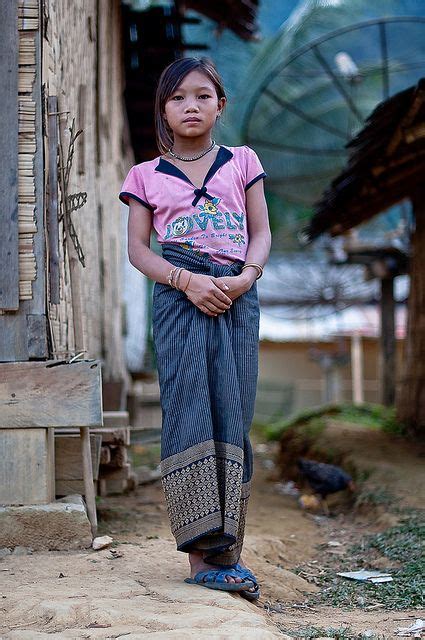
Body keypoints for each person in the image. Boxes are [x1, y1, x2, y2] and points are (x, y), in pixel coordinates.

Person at [119, 57, 271, 600]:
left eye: (203, 96)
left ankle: (230, 550)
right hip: (179, 303)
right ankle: (201, 557)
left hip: (236, 300)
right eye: (179, 97)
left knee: (234, 410)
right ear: (163, 109)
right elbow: (139, 250)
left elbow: (260, 234)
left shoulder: (243, 162)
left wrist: (243, 279)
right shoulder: (143, 176)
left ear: (220, 105)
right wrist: (187, 282)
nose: (191, 106)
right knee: (187, 413)